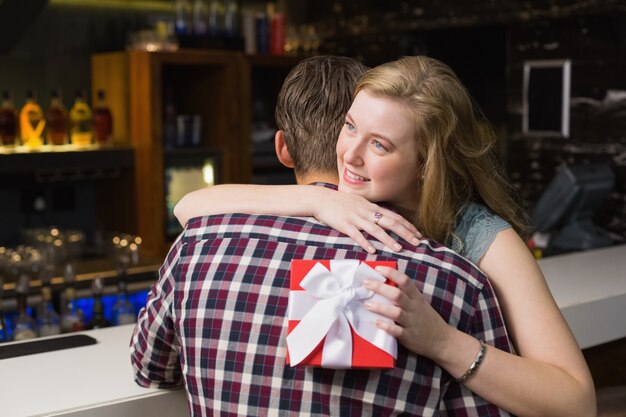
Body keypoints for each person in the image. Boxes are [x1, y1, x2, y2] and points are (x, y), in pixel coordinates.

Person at [173, 56, 596, 417]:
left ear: (425, 164)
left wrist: (442, 342)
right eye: (350, 126)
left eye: (379, 145)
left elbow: (575, 401)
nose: (349, 154)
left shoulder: (482, 238)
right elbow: (188, 206)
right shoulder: (337, 203)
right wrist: (316, 201)